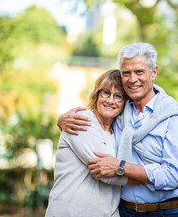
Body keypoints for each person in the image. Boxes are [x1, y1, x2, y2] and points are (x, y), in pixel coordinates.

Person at [58, 42, 178, 216]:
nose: (132, 79)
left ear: (153, 72)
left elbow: (169, 176)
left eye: (139, 72)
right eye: (126, 73)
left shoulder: (173, 117)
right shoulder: (119, 113)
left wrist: (121, 166)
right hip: (124, 211)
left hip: (164, 212)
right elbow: (93, 138)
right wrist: (61, 121)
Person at [46, 70, 144, 216]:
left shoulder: (118, 132)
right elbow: (105, 172)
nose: (110, 100)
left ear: (125, 103)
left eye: (118, 96)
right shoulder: (83, 120)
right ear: (97, 94)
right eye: (105, 93)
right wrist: (160, 178)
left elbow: (120, 167)